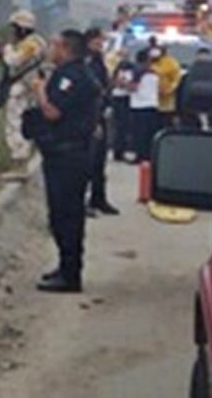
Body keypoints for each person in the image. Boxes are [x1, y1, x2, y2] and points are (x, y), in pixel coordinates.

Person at [30, 29, 100, 293]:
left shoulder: (71, 77)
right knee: (62, 215)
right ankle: (65, 267)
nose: (50, 49)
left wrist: (40, 91)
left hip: (68, 156)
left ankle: (70, 275)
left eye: (54, 45)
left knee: (67, 215)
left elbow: (53, 112)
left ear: (65, 49)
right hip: (67, 154)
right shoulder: (75, 73)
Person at [0, 10, 47, 179]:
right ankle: (22, 162)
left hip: (23, 90)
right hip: (30, 89)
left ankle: (20, 165)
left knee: (15, 125)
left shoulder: (31, 44)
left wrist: (6, 51)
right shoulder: (37, 42)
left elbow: (14, 61)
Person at [83, 28, 119, 215]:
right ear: (89, 42)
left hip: (102, 113)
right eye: (97, 41)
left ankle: (99, 198)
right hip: (90, 116)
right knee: (88, 162)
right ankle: (85, 201)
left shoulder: (99, 60)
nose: (100, 45)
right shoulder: (86, 61)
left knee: (99, 161)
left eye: (102, 42)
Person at [129, 49, 162, 162]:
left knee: (139, 133)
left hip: (139, 105)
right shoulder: (155, 71)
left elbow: (133, 87)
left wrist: (124, 84)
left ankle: (140, 156)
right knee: (149, 133)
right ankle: (149, 156)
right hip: (153, 104)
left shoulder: (137, 71)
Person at [109, 50, 135, 161]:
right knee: (119, 126)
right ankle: (118, 151)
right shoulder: (117, 69)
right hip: (118, 98)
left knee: (124, 126)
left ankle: (122, 149)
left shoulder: (132, 69)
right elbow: (113, 82)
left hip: (126, 98)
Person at [153, 46, 183, 128]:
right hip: (150, 104)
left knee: (165, 125)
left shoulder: (171, 63)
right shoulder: (149, 62)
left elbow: (176, 80)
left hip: (167, 105)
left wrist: (167, 90)